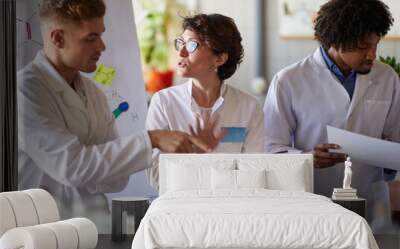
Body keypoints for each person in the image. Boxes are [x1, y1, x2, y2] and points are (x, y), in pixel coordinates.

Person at [18, 0, 218, 233]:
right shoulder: (25, 91)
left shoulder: (93, 94)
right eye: (91, 38)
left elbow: (114, 180)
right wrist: (151, 140)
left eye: (101, 35)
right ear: (58, 39)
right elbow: (71, 167)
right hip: (40, 232)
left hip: (91, 229)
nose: (102, 46)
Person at [263, 0, 400, 229]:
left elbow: (396, 139)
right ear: (336, 41)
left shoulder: (387, 78)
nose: (372, 55)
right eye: (363, 46)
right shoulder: (288, 81)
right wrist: (307, 159)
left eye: (375, 44)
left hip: (370, 203)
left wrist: (390, 160)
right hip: (311, 203)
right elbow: (270, 148)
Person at [146, 13, 264, 189]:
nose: (181, 52)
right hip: (179, 208)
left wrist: (204, 161)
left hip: (232, 208)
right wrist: (196, 154)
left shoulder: (249, 107)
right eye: (181, 42)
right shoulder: (164, 102)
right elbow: (155, 176)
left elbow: (254, 174)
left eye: (192, 45)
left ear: (219, 59)